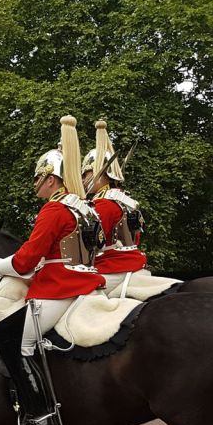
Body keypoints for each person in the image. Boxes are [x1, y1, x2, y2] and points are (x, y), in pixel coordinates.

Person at [0, 115, 105, 425]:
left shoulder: (55, 210)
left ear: (52, 179)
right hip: (87, 280)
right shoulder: (84, 207)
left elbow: (27, 260)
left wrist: (0, 266)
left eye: (39, 178)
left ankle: (41, 416)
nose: (36, 184)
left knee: (14, 340)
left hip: (60, 288)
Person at [82, 120, 149, 294]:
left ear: (100, 172)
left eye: (85, 173)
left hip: (112, 266)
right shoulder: (125, 200)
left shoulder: (103, 203)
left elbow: (89, 245)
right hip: (132, 261)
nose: (82, 179)